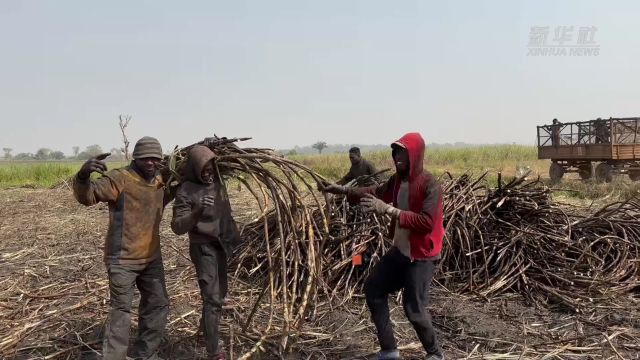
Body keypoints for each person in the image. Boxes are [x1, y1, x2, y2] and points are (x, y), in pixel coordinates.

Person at [321, 133, 445, 360]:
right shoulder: (396, 181)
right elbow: (375, 192)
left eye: (403, 152)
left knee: (414, 309)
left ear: (415, 155)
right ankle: (389, 350)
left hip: (421, 255)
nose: (397, 157)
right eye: (396, 152)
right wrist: (343, 191)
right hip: (400, 251)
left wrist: (388, 210)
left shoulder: (430, 185)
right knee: (374, 289)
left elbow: (427, 222)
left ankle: (435, 354)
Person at [73, 136, 175, 360]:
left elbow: (191, 169)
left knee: (157, 305)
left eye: (155, 159)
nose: (150, 163)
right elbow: (88, 196)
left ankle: (144, 354)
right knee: (121, 312)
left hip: (151, 259)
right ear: (135, 158)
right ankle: (114, 357)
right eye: (145, 158)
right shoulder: (120, 178)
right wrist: (82, 175)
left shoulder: (162, 180)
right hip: (122, 260)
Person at [171, 145, 240, 360]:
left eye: (212, 167)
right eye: (204, 169)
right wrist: (197, 210)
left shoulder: (218, 182)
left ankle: (205, 333)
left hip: (221, 245)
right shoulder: (186, 190)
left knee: (219, 294)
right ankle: (213, 351)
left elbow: (226, 215)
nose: (209, 173)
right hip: (202, 248)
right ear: (194, 169)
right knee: (212, 299)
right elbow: (177, 227)